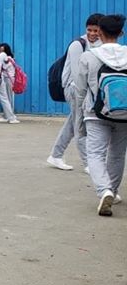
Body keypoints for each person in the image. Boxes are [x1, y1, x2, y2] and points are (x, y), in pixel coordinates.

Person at [74, 14, 127, 216]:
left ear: (100, 33)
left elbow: (80, 90)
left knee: (95, 153)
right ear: (121, 33)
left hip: (95, 112)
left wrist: (79, 115)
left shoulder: (89, 56)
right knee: (117, 154)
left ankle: (104, 190)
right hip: (124, 113)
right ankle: (113, 190)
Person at [48, 14, 103, 172]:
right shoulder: (78, 45)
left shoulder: (100, 44)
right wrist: (84, 95)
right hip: (75, 89)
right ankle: (89, 163)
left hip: (88, 90)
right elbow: (77, 73)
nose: (92, 34)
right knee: (80, 125)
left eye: (96, 31)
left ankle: (56, 155)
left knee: (73, 122)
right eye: (89, 30)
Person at [0, 43, 17, 119]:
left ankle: (9, 115)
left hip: (8, 79)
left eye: (2, 51)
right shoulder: (10, 58)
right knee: (8, 97)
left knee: (8, 97)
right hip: (8, 79)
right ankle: (8, 114)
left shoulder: (8, 59)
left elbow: (3, 67)